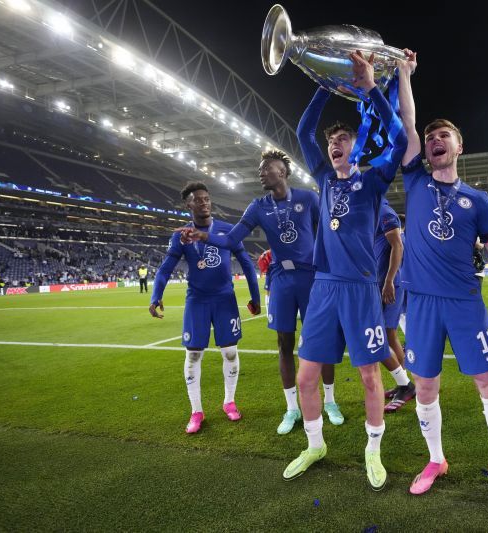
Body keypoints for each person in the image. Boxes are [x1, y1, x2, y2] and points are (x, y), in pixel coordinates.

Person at [397, 49, 488, 518]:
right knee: (425, 389)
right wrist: (404, 74)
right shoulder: (414, 180)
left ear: (458, 147)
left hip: (466, 304)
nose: (433, 139)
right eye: (430, 136)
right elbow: (407, 122)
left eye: (443, 135)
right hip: (423, 304)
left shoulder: (478, 200)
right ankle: (436, 460)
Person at [281, 50, 407, 490]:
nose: (335, 145)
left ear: (355, 148)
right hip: (323, 289)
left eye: (343, 140)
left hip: (360, 289)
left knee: (370, 375)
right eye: (332, 141)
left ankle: (373, 449)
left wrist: (371, 86)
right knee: (305, 375)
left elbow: (399, 137)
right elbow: (301, 131)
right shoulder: (324, 178)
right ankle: (315, 444)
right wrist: (324, 84)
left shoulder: (373, 180)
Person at [178, 150, 343, 435]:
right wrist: (203, 235)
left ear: (283, 171)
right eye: (260, 169)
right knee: (284, 343)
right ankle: (292, 408)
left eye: (266, 168)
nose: (261, 172)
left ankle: (330, 401)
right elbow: (231, 239)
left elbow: (327, 232)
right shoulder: (257, 206)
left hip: (311, 277)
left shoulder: (308, 198)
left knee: (322, 340)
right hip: (280, 278)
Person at [150, 182, 261, 434]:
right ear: (188, 205)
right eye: (198, 200)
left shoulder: (226, 230)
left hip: (225, 300)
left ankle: (229, 402)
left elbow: (246, 263)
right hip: (197, 301)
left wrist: (256, 298)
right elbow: (166, 268)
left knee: (230, 352)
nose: (204, 203)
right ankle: (196, 411)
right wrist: (155, 295)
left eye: (206, 198)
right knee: (193, 355)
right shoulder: (181, 236)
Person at [375, 198, 416, 413]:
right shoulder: (374, 211)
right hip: (382, 283)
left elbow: (397, 248)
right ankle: (402, 382)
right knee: (389, 334)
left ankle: (405, 385)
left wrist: (390, 281)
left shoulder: (383, 211)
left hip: (388, 284)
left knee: (383, 335)